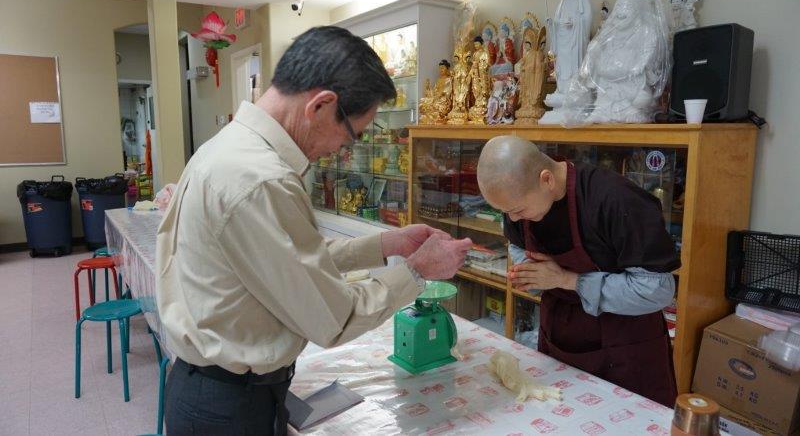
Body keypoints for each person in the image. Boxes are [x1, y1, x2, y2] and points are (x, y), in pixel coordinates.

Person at [156, 26, 472, 435]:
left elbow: (287, 261)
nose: (343, 150)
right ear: (321, 105)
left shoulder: (229, 148)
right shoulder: (261, 179)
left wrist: (386, 243)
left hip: (215, 391)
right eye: (352, 134)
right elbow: (334, 318)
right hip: (229, 407)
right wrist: (416, 272)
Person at [476, 136, 679, 407]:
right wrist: (533, 275)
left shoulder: (615, 200)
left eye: (518, 210)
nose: (512, 218)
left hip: (626, 346)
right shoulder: (516, 201)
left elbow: (658, 290)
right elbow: (517, 247)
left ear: (546, 179)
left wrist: (568, 280)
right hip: (559, 338)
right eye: (506, 212)